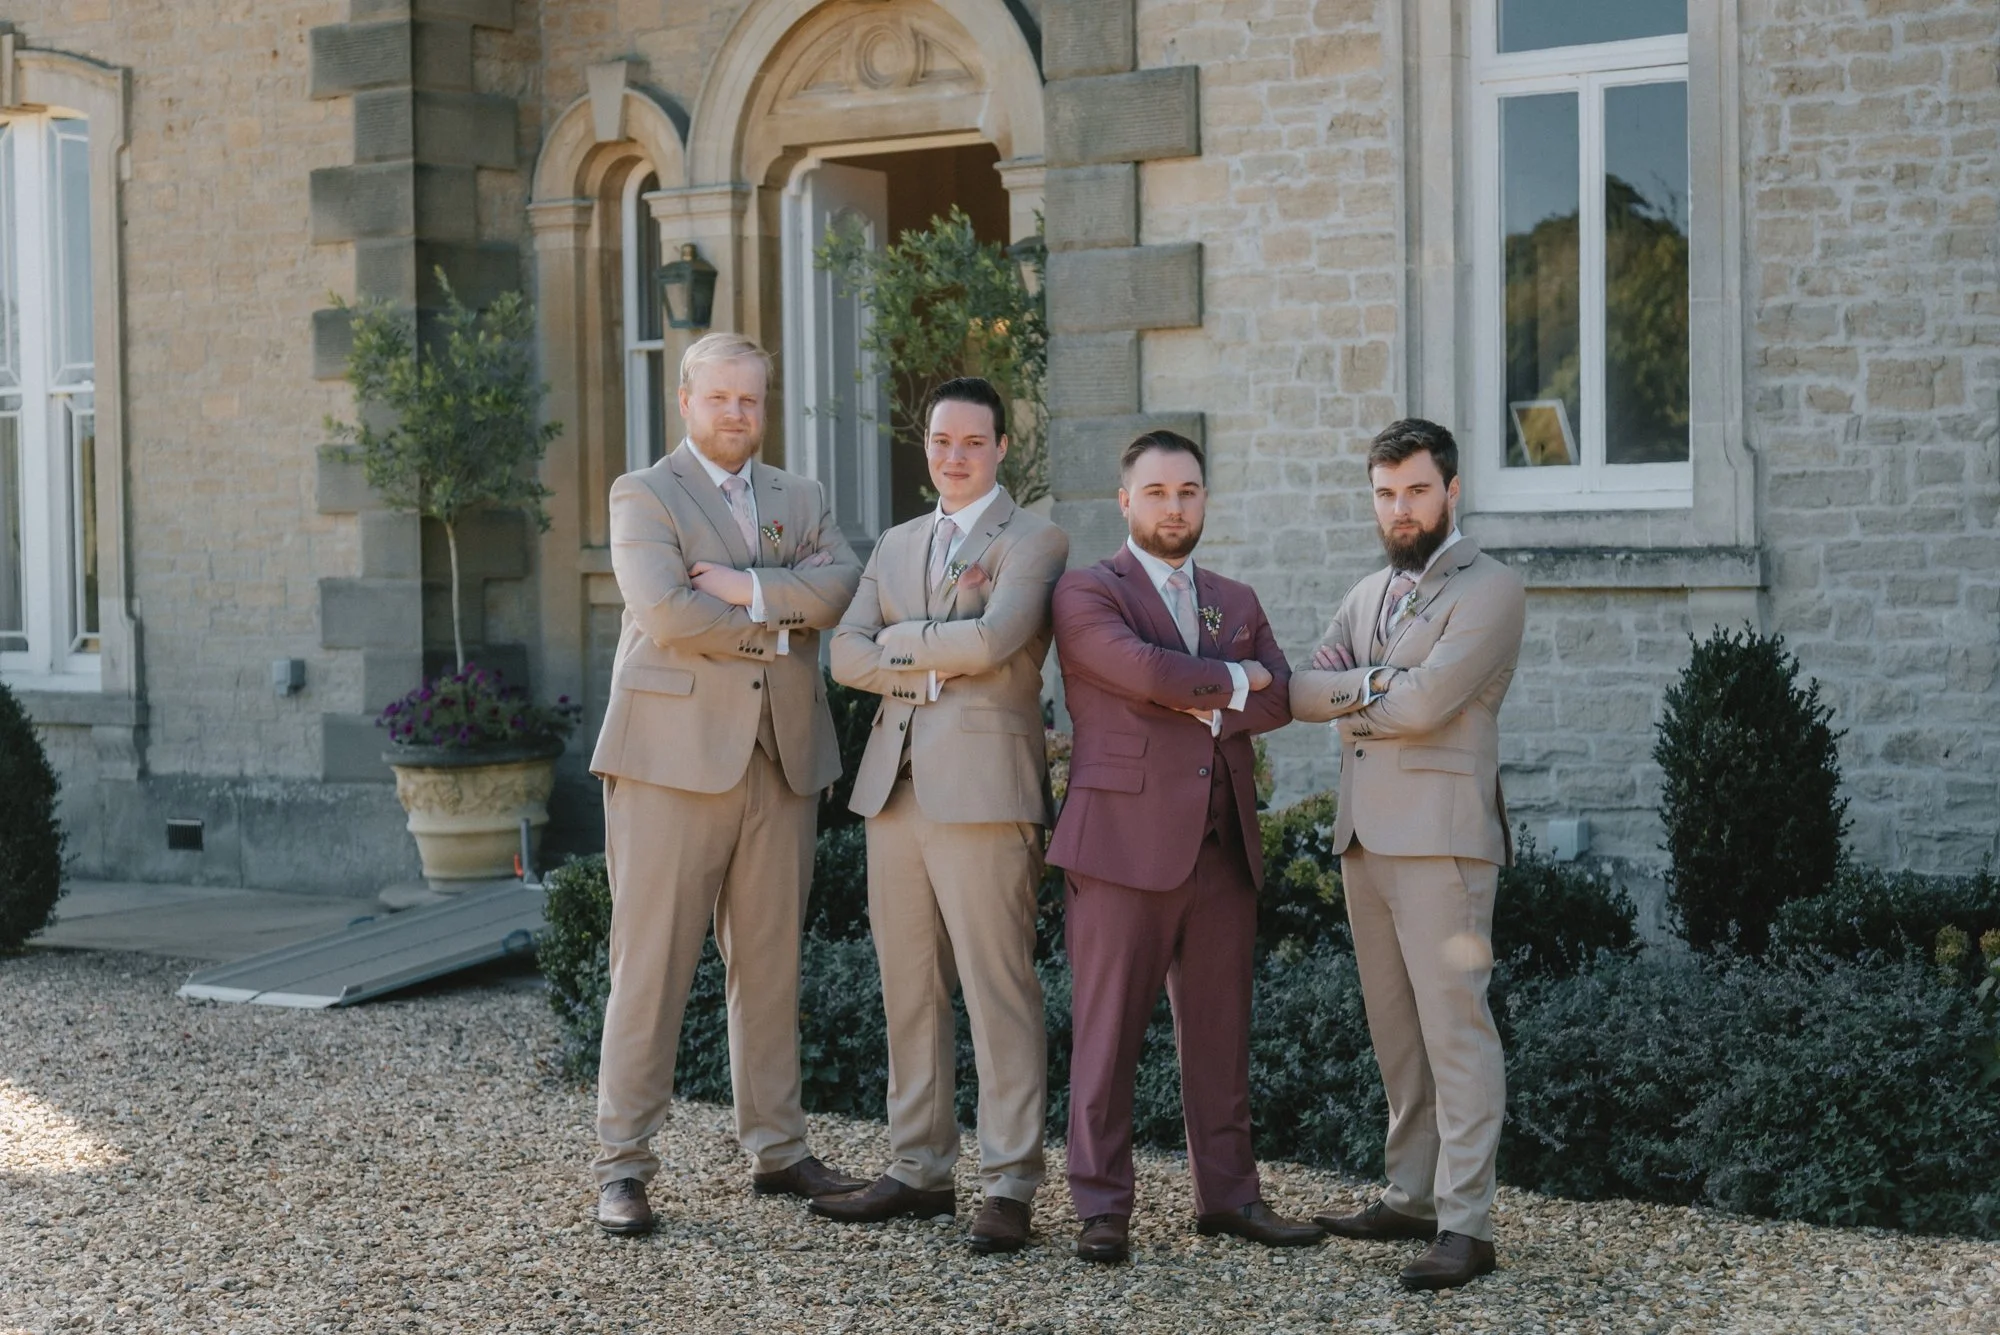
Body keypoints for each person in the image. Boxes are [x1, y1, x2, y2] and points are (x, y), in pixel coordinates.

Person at [588, 331, 867, 1235]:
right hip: (669, 760)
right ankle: (623, 1165)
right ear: (686, 400)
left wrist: (748, 589)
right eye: (721, 399)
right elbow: (665, 611)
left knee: (770, 965)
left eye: (752, 399)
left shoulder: (802, 494)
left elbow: (844, 587)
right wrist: (780, 621)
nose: (739, 414)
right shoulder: (643, 492)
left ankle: (779, 1151)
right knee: (652, 966)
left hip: (781, 758)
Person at [1047, 429, 1321, 1264]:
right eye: (1159, 492)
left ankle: (1230, 1197)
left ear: (1205, 499)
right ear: (1125, 500)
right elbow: (1148, 674)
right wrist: (1236, 681)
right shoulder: (1086, 591)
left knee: (1219, 1031)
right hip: (1120, 846)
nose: (1176, 506)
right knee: (1107, 1033)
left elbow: (1284, 701)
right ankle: (1101, 1207)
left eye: (1190, 491)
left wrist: (1212, 692)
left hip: (1221, 847)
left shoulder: (1233, 598)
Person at [819, 377, 1070, 1254]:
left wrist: (900, 642)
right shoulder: (894, 542)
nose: (953, 456)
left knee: (999, 988)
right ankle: (919, 1166)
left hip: (987, 789)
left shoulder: (1034, 538)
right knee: (908, 986)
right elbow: (842, 652)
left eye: (971, 440)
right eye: (939, 441)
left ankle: (1009, 1183)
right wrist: (922, 656)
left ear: (1002, 445)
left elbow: (998, 639)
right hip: (895, 788)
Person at [1288, 418, 1526, 1291]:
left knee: (1456, 1030)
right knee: (1398, 1034)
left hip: (1443, 842)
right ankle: (1412, 1192)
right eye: (1386, 493)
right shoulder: (1366, 593)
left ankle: (1468, 1224)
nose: (1400, 508)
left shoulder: (1491, 588)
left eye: (1416, 490)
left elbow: (1427, 708)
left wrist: (1361, 691)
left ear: (1451, 491)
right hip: (1365, 838)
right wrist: (1378, 687)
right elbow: (1300, 686)